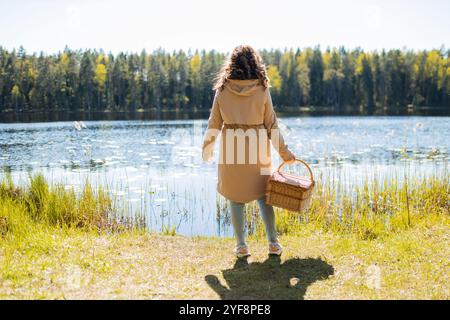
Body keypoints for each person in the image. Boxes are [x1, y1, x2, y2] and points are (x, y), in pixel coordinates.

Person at [202, 45, 296, 258]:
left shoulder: (223, 89)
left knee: (235, 199)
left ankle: (241, 246)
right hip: (258, 147)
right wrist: (284, 152)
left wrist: (207, 147)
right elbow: (271, 124)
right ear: (255, 63)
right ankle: (273, 243)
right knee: (264, 196)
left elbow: (214, 122)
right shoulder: (262, 88)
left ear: (231, 64)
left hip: (231, 148)